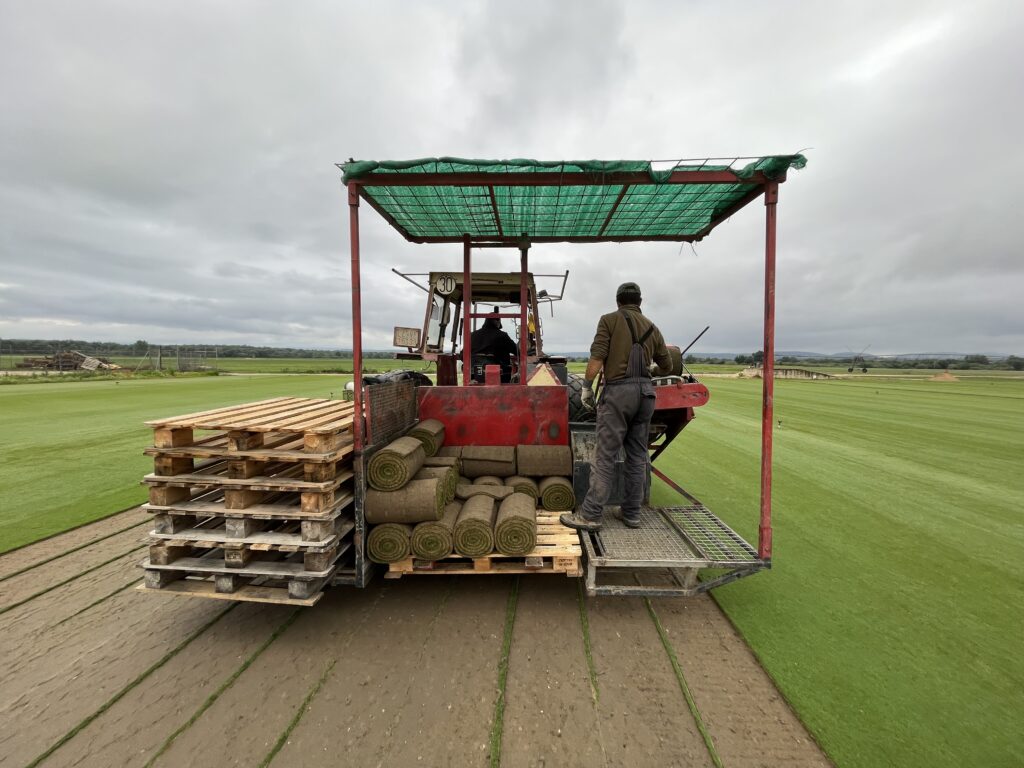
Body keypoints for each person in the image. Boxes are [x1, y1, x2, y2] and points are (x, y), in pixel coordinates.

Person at [560, 282, 671, 530]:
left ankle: (590, 514)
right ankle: (631, 513)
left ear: (618, 301)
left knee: (605, 455)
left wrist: (587, 387)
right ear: (639, 302)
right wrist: (649, 368)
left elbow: (597, 357)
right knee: (638, 456)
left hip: (619, 394)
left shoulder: (608, 320)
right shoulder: (653, 327)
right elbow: (666, 365)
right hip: (645, 395)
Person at [469, 316, 519, 382]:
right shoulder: (502, 335)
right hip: (500, 375)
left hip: (474, 375)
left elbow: (462, 355)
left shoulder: (472, 335)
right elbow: (517, 351)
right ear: (497, 322)